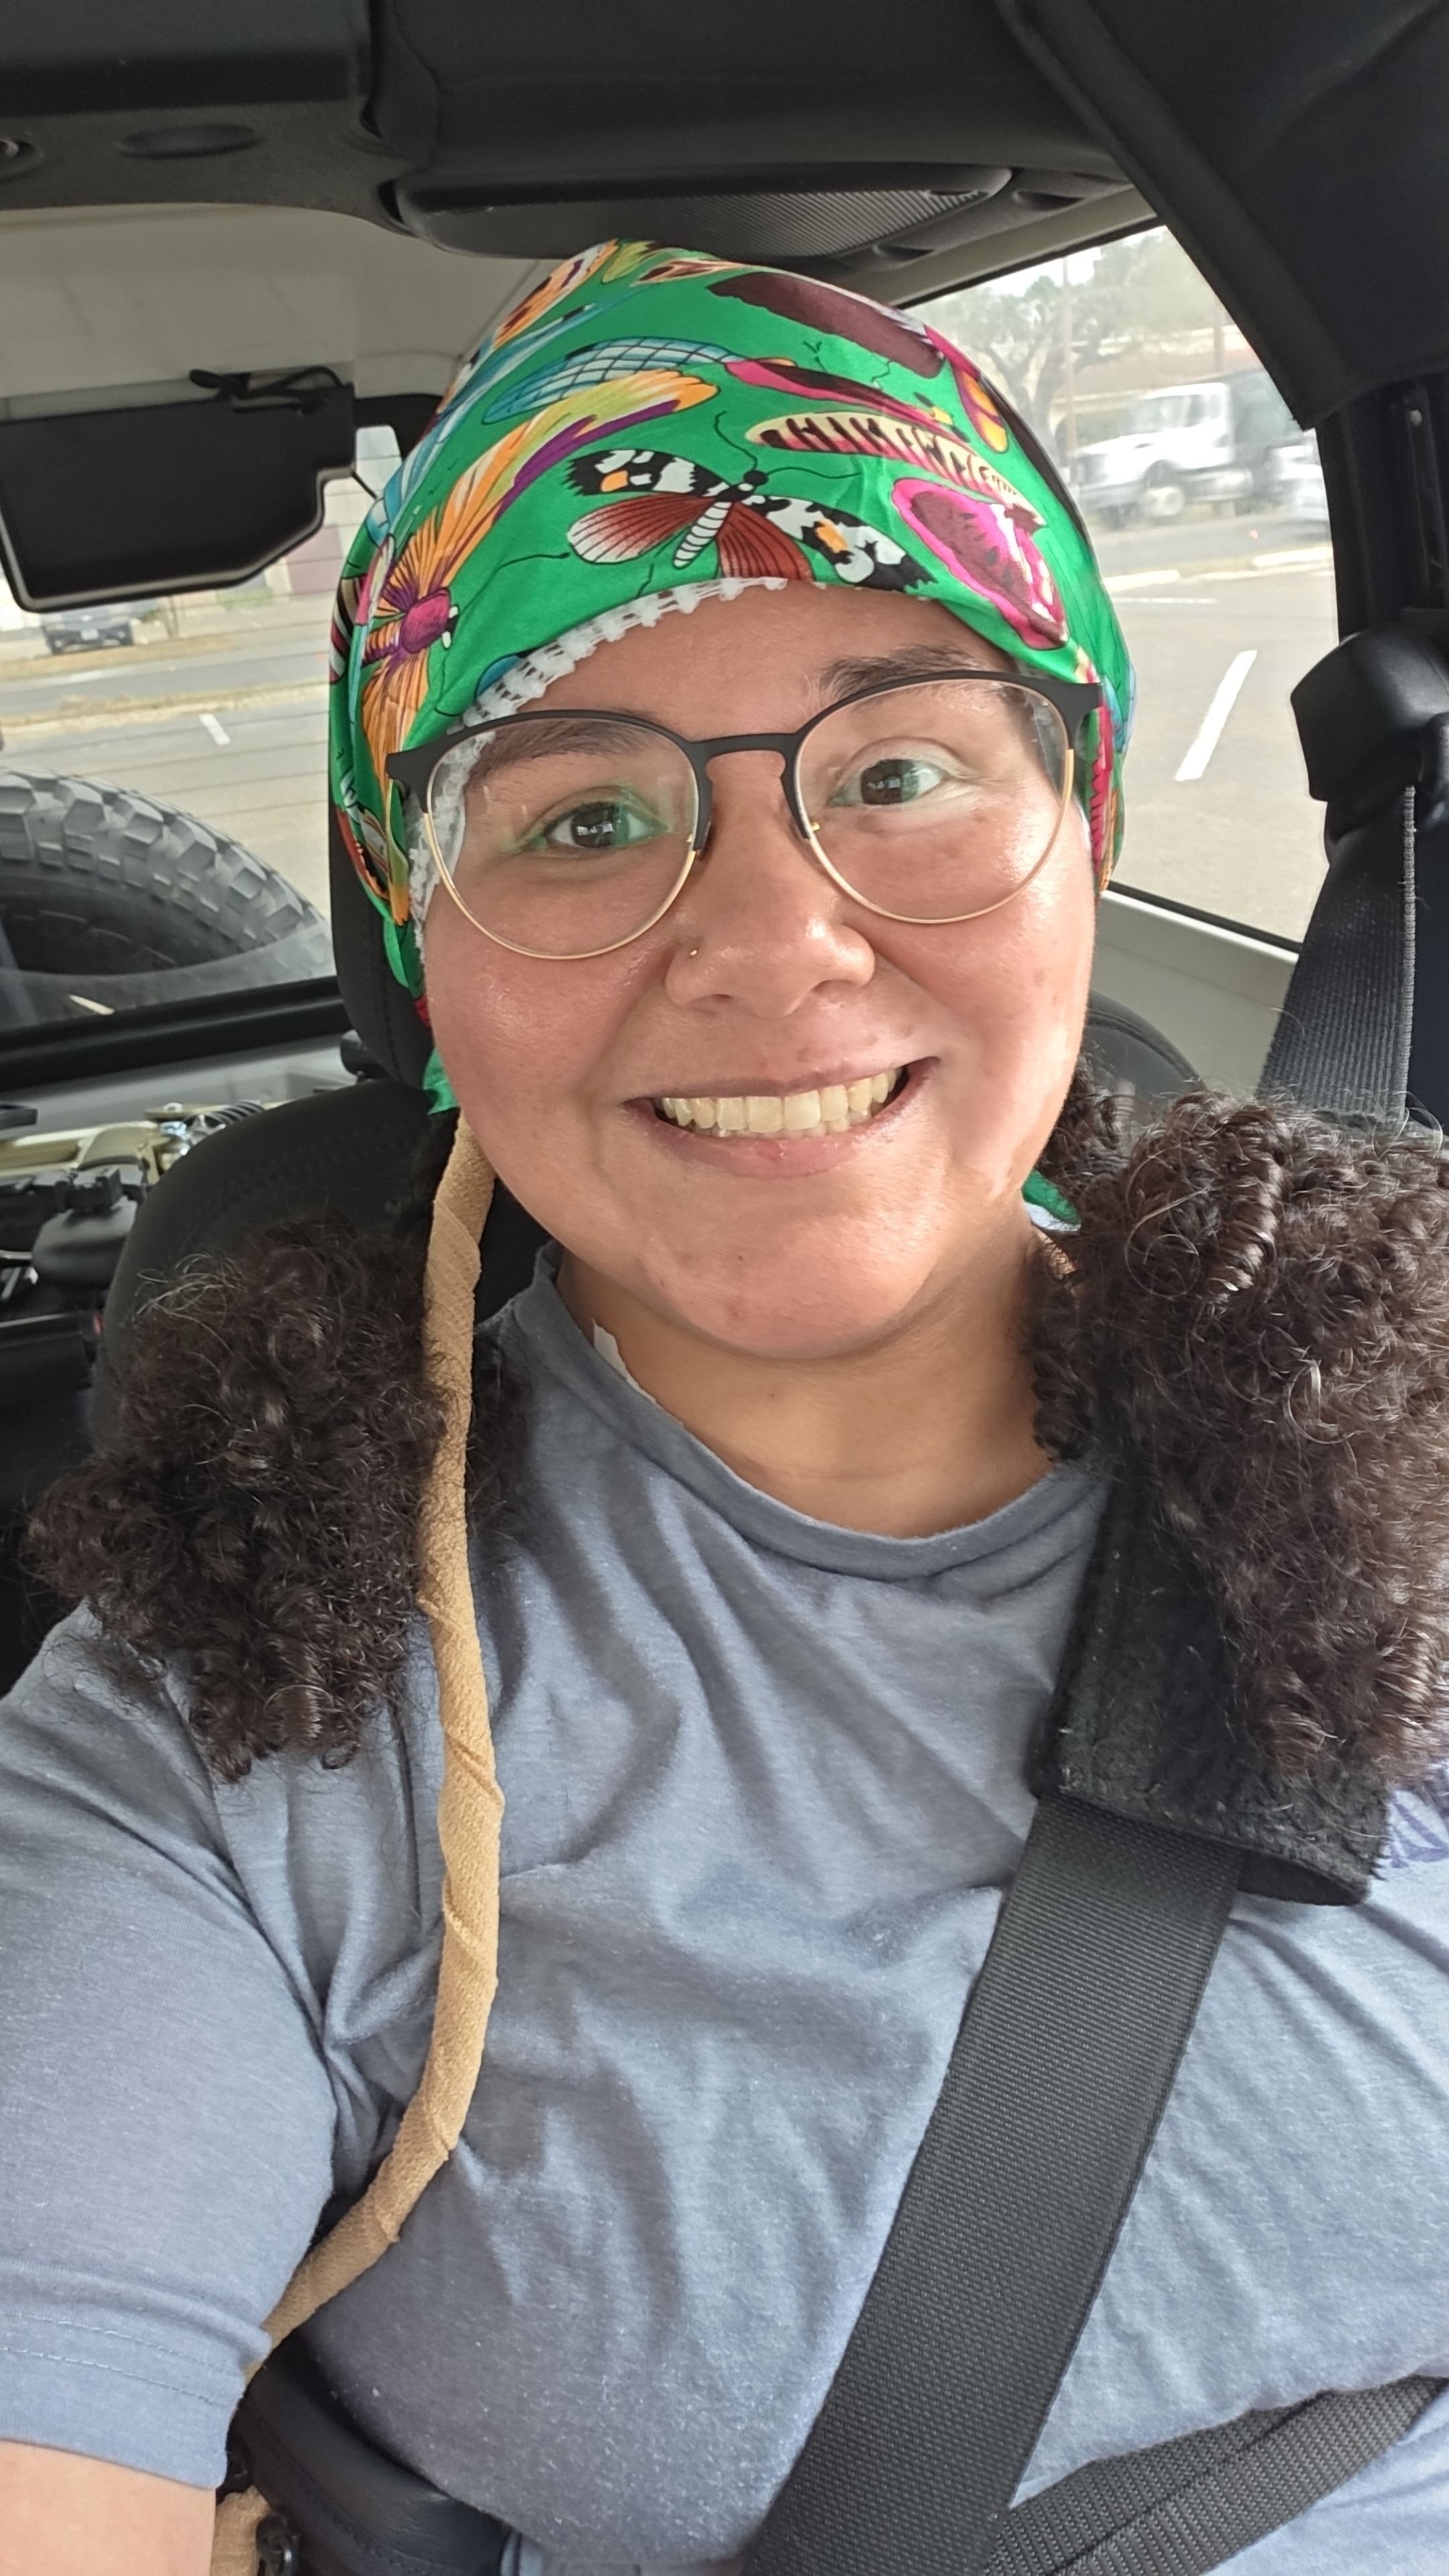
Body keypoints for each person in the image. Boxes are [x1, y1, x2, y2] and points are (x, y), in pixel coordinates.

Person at [3, 239, 1449, 2576]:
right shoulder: (228, 1705)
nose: (776, 946)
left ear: (1081, 826)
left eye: (902, 772)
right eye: (580, 818)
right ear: (423, 948)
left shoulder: (1418, 1435)